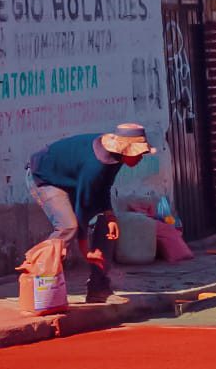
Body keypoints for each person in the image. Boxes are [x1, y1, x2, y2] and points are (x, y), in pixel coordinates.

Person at [26, 123, 153, 303]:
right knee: (68, 226)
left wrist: (109, 215)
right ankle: (40, 290)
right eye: (139, 153)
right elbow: (82, 209)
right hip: (45, 176)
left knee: (107, 226)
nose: (141, 157)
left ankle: (98, 288)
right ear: (127, 150)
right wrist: (86, 252)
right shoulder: (95, 166)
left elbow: (104, 187)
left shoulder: (116, 158)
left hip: (72, 178)